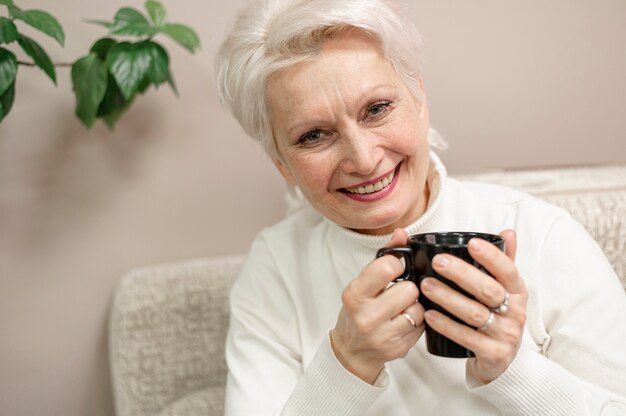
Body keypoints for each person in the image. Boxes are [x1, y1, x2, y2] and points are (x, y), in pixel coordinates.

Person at [214, 0, 626, 414]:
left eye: (376, 109)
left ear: (420, 101)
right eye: (314, 135)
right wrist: (347, 363)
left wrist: (513, 370)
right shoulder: (275, 268)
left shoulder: (543, 234)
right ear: (282, 164)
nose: (363, 160)